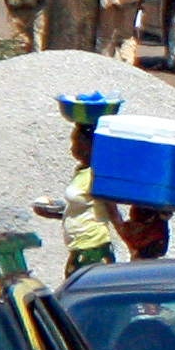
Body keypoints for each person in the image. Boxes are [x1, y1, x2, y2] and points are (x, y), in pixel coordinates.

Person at [32, 90, 125, 279]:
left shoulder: (98, 173)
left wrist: (130, 240)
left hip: (93, 248)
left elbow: (112, 212)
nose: (72, 149)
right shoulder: (81, 172)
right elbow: (83, 208)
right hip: (79, 246)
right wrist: (54, 212)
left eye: (77, 144)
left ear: (91, 147)